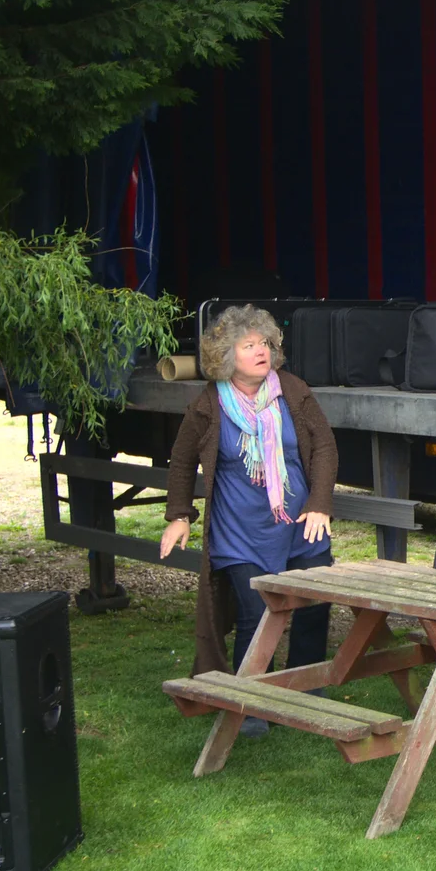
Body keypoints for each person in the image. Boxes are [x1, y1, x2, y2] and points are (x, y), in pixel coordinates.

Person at [160, 305, 338, 737]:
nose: (261, 351)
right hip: (240, 531)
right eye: (248, 345)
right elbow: (182, 463)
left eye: (264, 343)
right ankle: (252, 706)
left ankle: (304, 692)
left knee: (315, 604)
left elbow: (325, 448)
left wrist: (319, 503)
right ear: (226, 356)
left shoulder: (292, 390)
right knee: (255, 616)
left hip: (299, 523)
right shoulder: (208, 405)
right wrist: (179, 516)